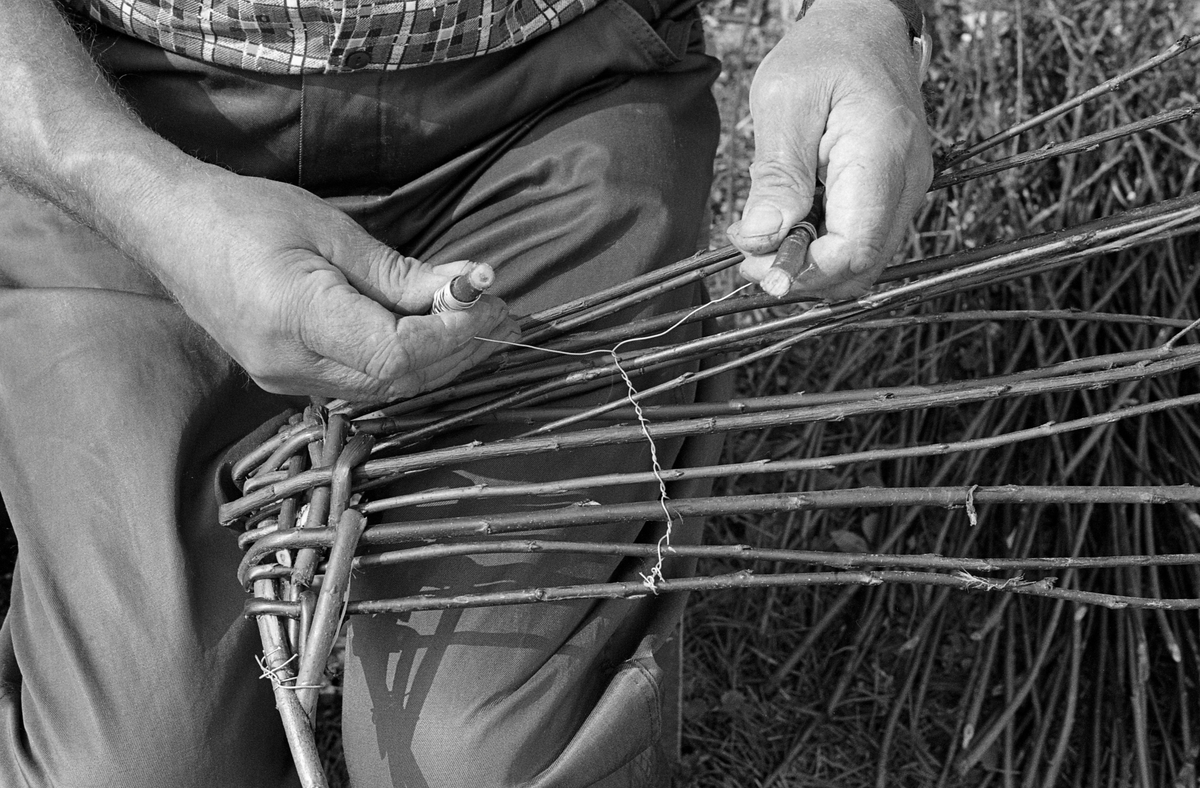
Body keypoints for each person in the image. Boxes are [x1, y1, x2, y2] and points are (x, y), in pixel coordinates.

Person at [0, 0, 932, 784]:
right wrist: (134, 189)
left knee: (469, 757)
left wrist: (861, 16)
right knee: (139, 763)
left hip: (554, 96)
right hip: (116, 110)